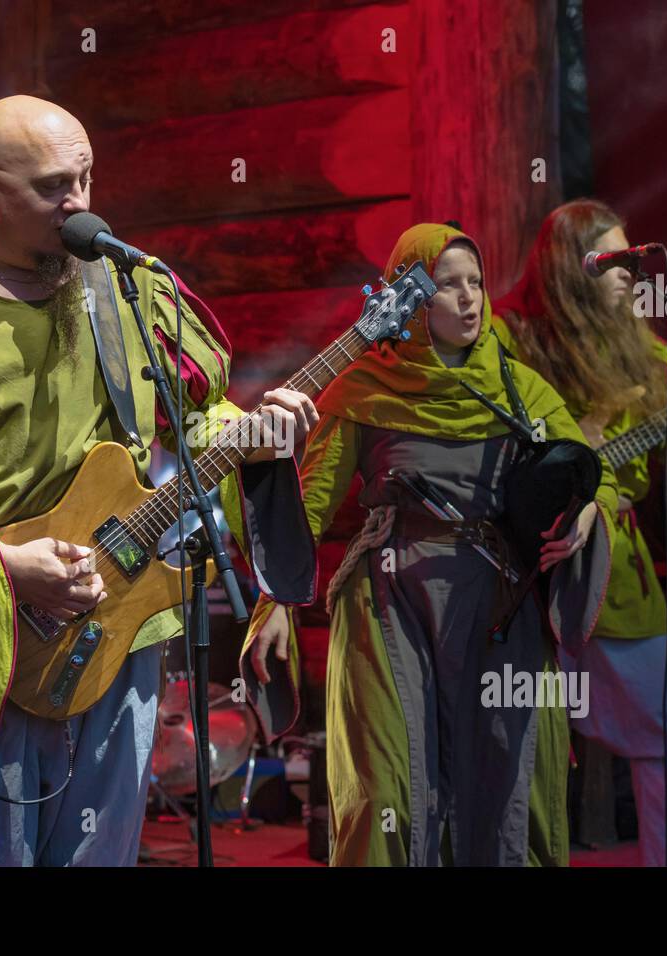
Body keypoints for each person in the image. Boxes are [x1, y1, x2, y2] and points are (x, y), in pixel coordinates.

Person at [0, 95, 316, 866]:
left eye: (85, 178)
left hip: (119, 629)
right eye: (53, 186)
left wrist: (248, 437)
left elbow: (195, 420)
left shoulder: (129, 289)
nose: (79, 202)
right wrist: (1, 562)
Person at [242, 223, 618, 866]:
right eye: (448, 285)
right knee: (388, 781)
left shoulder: (521, 388)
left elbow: (591, 476)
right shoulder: (361, 389)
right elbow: (305, 506)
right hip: (391, 598)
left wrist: (587, 516)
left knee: (506, 781)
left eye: (475, 282)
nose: (469, 298)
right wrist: (273, 602)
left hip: (498, 601)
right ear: (412, 296)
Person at [492, 198, 667, 866]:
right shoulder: (509, 338)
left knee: (665, 730)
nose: (631, 274)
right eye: (615, 261)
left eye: (632, 260)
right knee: (513, 731)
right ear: (571, 265)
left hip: (616, 564)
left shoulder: (643, 348)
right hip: (517, 567)